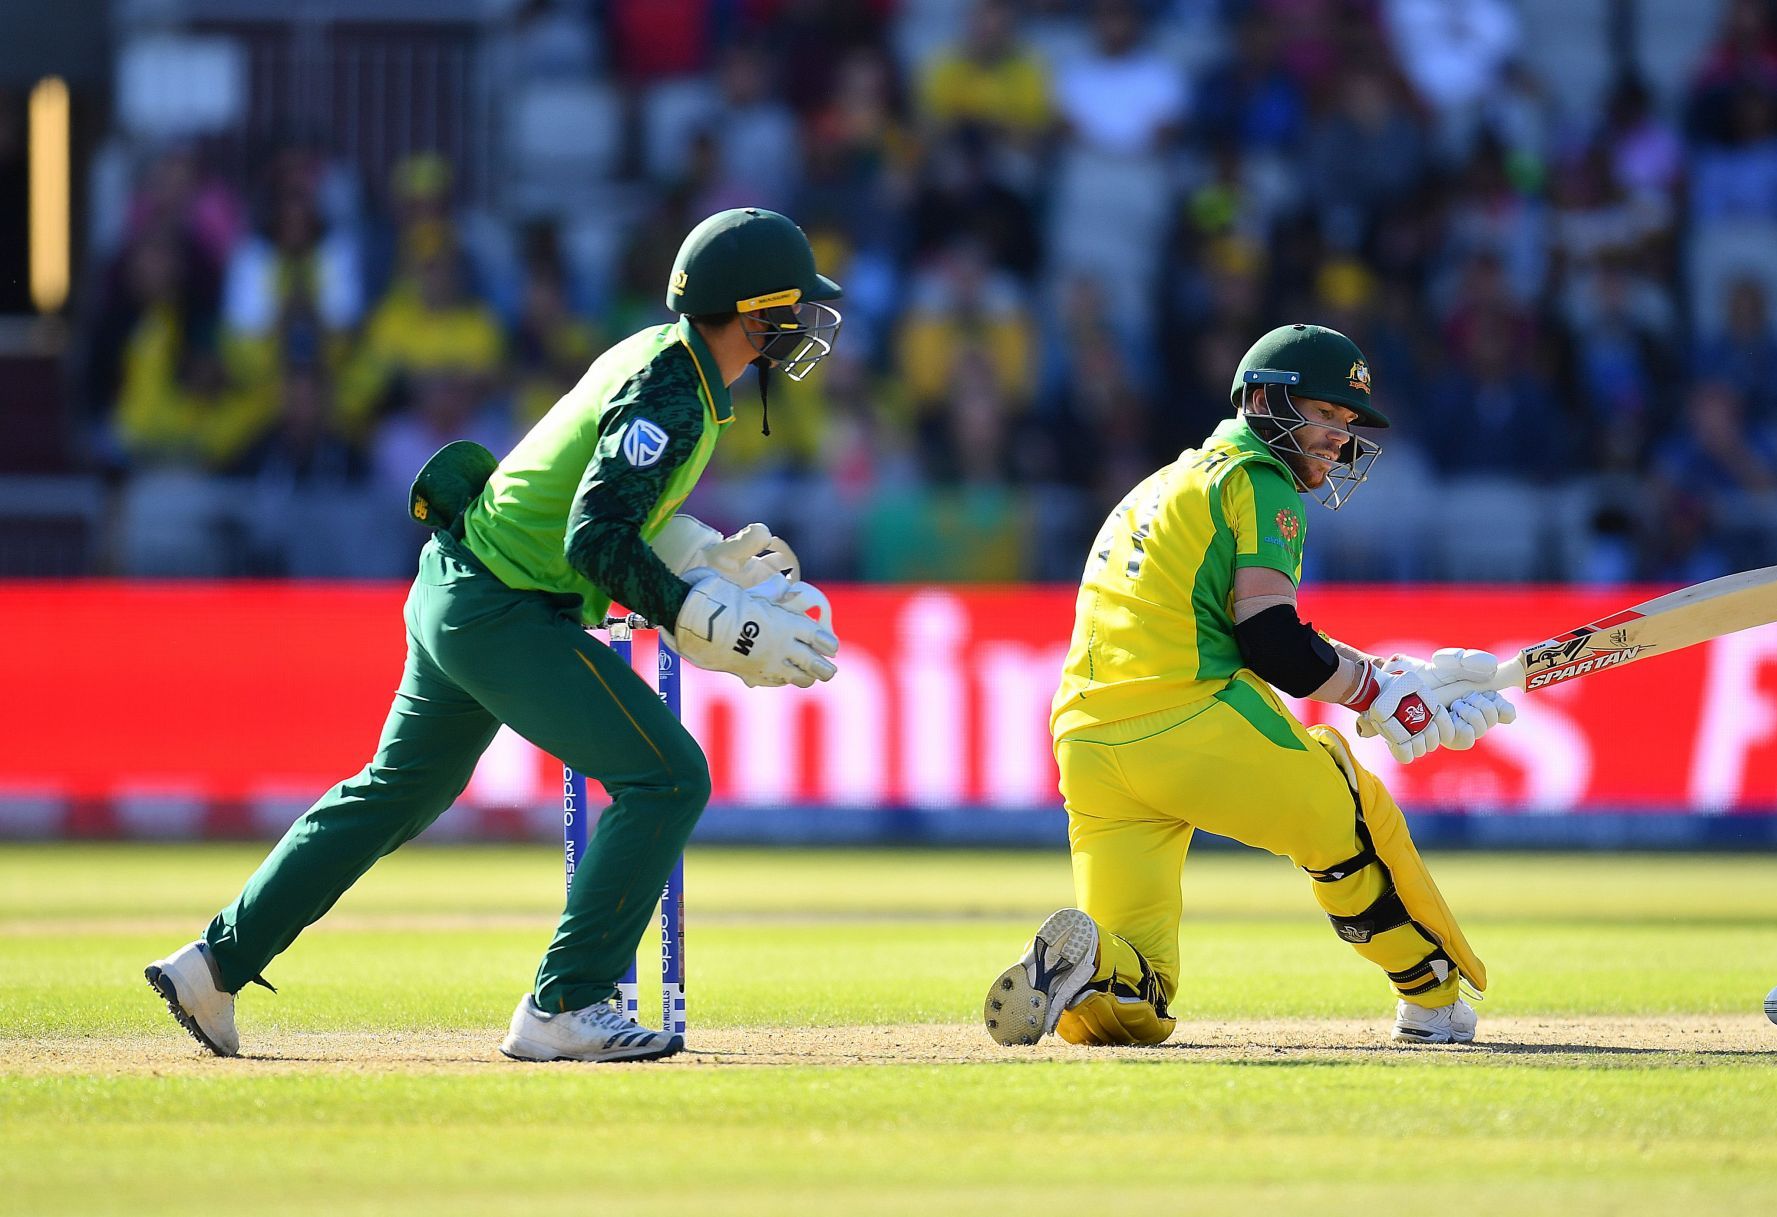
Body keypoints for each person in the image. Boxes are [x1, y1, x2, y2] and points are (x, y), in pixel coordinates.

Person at [146, 208, 845, 1063]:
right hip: (504, 606)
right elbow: (595, 539)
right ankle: (567, 1001)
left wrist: (702, 553)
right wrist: (701, 615)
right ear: (751, 310)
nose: (803, 325)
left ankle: (213, 964)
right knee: (668, 777)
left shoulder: (666, 361)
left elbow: (602, 504)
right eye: (792, 306)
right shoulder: (676, 388)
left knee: (393, 794)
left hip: (459, 584)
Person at [983, 323, 1516, 1050]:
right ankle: (1432, 996)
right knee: (1346, 806)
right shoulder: (1258, 480)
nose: (1338, 436)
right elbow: (1271, 643)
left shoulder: (1158, 485)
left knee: (1140, 997)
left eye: (1347, 420)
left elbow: (1240, 627)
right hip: (1189, 721)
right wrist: (1376, 693)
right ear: (1265, 402)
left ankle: (1085, 964)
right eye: (1325, 414)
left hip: (1087, 747)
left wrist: (1389, 678)